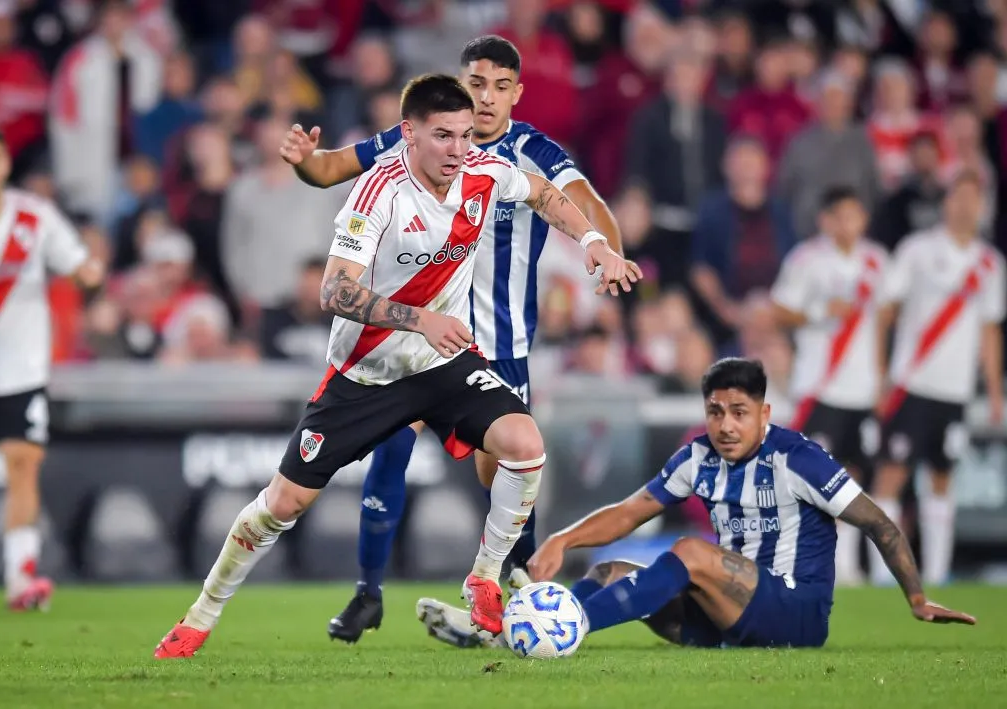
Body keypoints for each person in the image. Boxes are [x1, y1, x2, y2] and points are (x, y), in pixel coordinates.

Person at [153, 73, 635, 659]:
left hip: (441, 365)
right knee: (281, 505)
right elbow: (334, 291)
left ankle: (483, 576)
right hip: (366, 374)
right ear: (409, 134)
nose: (459, 150)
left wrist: (592, 243)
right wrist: (418, 318)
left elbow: (543, 194)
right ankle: (202, 615)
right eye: (443, 137)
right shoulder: (379, 192)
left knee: (524, 443)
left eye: (464, 136)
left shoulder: (483, 171)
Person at [278, 35, 639, 643]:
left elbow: (585, 202)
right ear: (461, 88)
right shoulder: (426, 138)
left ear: (517, 95)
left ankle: (503, 589)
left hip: (500, 339)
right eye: (478, 84)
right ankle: (369, 592)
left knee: (505, 471)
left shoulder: (531, 152)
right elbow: (333, 167)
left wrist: (606, 253)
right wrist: (304, 160)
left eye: (501, 87)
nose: (488, 98)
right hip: (418, 337)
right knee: (390, 451)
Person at [416, 358, 975, 651]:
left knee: (690, 550)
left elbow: (879, 524)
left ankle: (558, 630)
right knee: (610, 570)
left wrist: (918, 597)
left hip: (796, 614)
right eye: (716, 412)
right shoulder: (697, 456)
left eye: (738, 412)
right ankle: (507, 629)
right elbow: (629, 512)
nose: (726, 425)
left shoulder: (798, 458)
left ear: (764, 414)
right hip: (730, 613)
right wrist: (562, 539)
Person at [0, 125, 103, 610]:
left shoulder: (34, 216)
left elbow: (78, 267)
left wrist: (90, 279)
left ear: (6, 163)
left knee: (22, 467)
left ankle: (20, 576)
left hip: (20, 370)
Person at [869, 171, 1005, 587]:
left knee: (942, 476)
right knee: (891, 472)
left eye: (973, 199)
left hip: (954, 389)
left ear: (982, 208)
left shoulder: (990, 263)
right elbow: (885, 311)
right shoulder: (917, 250)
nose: (965, 206)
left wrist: (995, 391)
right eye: (958, 197)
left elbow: (989, 330)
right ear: (946, 203)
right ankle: (881, 575)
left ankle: (935, 573)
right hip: (912, 381)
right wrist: (882, 373)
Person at [771, 186, 888, 586]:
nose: (848, 224)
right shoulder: (806, 260)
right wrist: (821, 311)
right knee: (811, 479)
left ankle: (849, 567)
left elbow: (884, 322)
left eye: (855, 215)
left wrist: (881, 377)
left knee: (854, 477)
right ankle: (801, 563)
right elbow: (779, 309)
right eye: (840, 216)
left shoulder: (876, 261)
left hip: (861, 388)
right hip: (820, 386)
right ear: (825, 219)